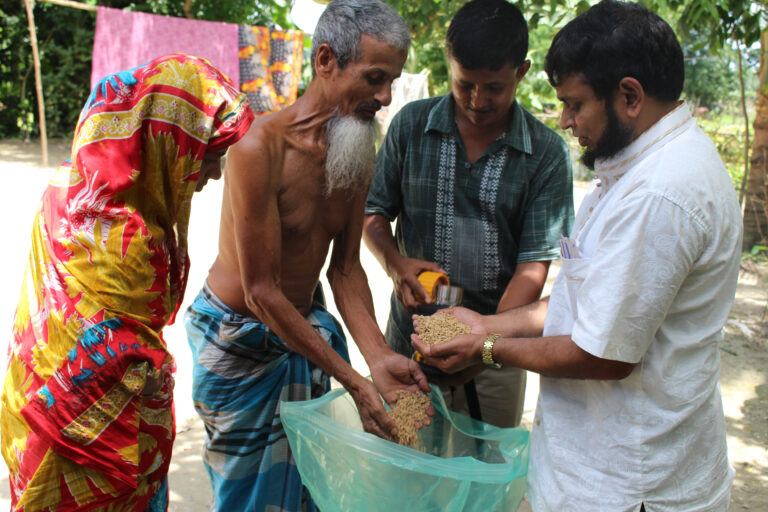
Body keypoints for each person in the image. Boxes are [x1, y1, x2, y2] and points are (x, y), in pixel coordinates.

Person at [412, 1, 741, 510]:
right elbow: (573, 301)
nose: (564, 120)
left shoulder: (660, 194)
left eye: (575, 104)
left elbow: (602, 354)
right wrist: (483, 326)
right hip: (596, 469)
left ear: (629, 95)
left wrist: (486, 348)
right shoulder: (629, 173)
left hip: (630, 485)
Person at [183, 1, 430, 510]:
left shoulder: (356, 145)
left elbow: (344, 270)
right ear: (325, 61)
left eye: (392, 81)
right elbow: (261, 293)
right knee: (253, 500)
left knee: (307, 494)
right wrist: (355, 381)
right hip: (240, 342)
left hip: (299, 334)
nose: (385, 97)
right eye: (375, 78)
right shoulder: (259, 148)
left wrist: (379, 358)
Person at [0, 54, 253, 511]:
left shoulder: (67, 186)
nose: (214, 175)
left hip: (38, 390)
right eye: (207, 157)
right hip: (86, 433)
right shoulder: (130, 241)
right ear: (162, 143)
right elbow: (129, 344)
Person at [363, 0, 573, 428]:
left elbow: (533, 268)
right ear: (450, 67)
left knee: (480, 479)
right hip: (408, 349)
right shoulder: (410, 126)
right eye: (465, 84)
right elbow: (373, 212)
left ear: (522, 71)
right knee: (406, 472)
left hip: (496, 359)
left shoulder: (547, 154)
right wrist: (394, 262)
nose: (478, 100)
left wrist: (483, 342)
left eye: (494, 86)